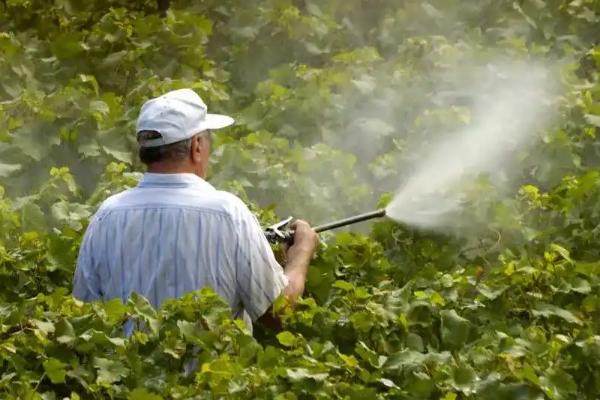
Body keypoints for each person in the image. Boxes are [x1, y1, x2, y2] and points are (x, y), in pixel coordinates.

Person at [73, 88, 319, 332]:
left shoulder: (106, 215)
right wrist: (301, 253)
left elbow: (84, 318)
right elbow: (278, 314)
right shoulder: (228, 213)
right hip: (210, 372)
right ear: (197, 146)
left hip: (126, 372)